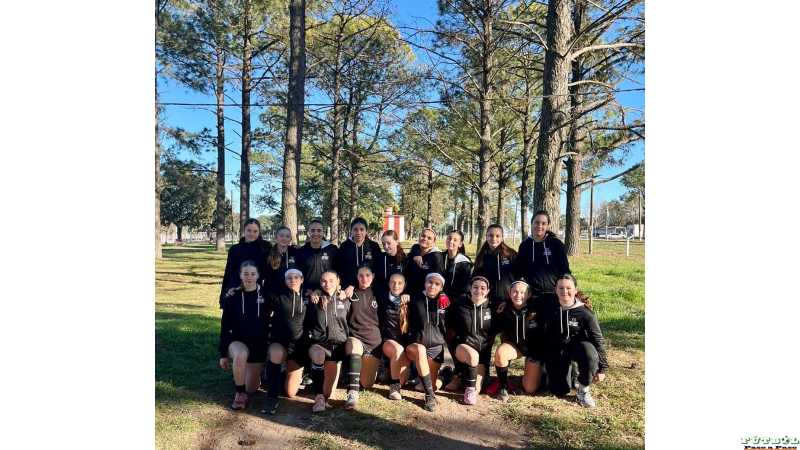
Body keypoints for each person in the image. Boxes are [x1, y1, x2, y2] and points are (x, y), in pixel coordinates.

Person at [533, 274, 608, 408]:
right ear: (555, 290)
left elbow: (598, 340)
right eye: (561, 288)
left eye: (568, 288)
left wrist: (602, 369)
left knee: (589, 353)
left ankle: (583, 389)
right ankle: (568, 373)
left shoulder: (585, 313)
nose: (564, 291)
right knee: (559, 391)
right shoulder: (549, 308)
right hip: (558, 351)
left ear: (575, 290)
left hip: (578, 349)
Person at [218, 260, 269, 410]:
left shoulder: (266, 295)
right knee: (240, 355)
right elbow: (225, 326)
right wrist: (223, 354)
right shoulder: (232, 296)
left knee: (251, 388)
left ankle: (246, 373)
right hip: (238, 341)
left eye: (253, 274)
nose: (249, 277)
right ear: (240, 275)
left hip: (258, 344)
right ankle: (239, 393)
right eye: (245, 274)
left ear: (258, 275)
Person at [305, 271, 359, 413]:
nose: (327, 284)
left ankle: (352, 393)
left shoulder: (346, 298)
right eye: (323, 281)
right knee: (325, 394)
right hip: (322, 345)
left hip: (340, 345)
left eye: (331, 280)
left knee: (354, 345)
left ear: (338, 281)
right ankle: (319, 398)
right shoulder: (315, 299)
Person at [260, 269, 309, 415]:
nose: (293, 280)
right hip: (280, 342)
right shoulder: (277, 296)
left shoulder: (308, 297)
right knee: (275, 354)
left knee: (290, 393)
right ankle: (271, 397)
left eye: (296, 277)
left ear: (302, 279)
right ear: (285, 280)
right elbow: (258, 295)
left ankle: (282, 375)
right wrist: (237, 290)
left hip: (298, 345)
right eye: (289, 278)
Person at [490, 280, 543, 402]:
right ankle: (503, 386)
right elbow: (492, 328)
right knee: (501, 353)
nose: (518, 295)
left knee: (529, 388)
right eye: (515, 291)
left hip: (533, 350)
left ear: (529, 295)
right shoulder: (504, 309)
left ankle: (541, 373)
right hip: (515, 346)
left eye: (522, 292)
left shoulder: (536, 309)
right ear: (509, 293)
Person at [405, 273, 451, 412]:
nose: (432, 286)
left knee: (428, 385)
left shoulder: (445, 302)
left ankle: (444, 376)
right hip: (416, 344)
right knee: (420, 352)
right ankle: (430, 397)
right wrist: (404, 296)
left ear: (441, 287)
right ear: (425, 283)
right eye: (430, 282)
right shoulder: (415, 299)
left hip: (436, 347)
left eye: (437, 284)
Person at [448, 276, 494, 405]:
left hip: (482, 354)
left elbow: (494, 334)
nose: (479, 290)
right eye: (475, 287)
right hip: (463, 347)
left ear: (488, 291)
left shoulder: (493, 308)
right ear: (470, 288)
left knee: (478, 388)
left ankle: (453, 374)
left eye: (483, 288)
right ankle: (467, 386)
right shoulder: (459, 304)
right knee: (472, 356)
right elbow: (449, 329)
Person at [341, 265, 383, 409]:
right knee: (353, 346)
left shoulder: (379, 292)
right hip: (356, 336)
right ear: (356, 277)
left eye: (368, 275)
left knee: (367, 384)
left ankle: (362, 372)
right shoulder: (350, 293)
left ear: (373, 276)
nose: (364, 279)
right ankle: (352, 393)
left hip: (374, 342)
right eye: (361, 275)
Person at [513, 210, 571, 310]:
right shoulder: (524, 246)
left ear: (548, 226)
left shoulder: (556, 244)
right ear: (531, 224)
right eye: (536, 222)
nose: (539, 226)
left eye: (543, 223)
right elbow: (519, 271)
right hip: (532, 296)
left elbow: (565, 270)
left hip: (554, 295)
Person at [218, 218, 270, 307]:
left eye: (255, 231)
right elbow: (228, 273)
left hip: (256, 290)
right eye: (249, 230)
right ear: (244, 230)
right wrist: (223, 295)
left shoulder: (265, 248)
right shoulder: (235, 249)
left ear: (259, 232)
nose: (251, 233)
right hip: (236, 288)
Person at [378, 273, 411, 400]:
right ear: (388, 283)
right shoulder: (382, 298)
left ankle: (391, 374)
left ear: (405, 285)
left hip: (404, 344)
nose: (396, 285)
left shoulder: (409, 300)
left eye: (399, 283)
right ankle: (394, 387)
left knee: (403, 380)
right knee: (397, 349)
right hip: (388, 341)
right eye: (393, 282)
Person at [473, 224, 517, 308]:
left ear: (502, 238)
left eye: (497, 236)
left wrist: (510, 299)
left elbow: (519, 276)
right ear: (486, 237)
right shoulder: (481, 256)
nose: (494, 238)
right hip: (486, 301)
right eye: (490, 235)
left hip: (508, 301)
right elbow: (475, 278)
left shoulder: (511, 254)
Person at [335, 217, 382, 292]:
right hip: (349, 289)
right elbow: (340, 268)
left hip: (370, 288)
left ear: (366, 231)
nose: (358, 232)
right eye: (355, 229)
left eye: (362, 229)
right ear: (351, 231)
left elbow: (378, 267)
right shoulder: (344, 246)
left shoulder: (373, 246)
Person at [296, 219, 338, 294]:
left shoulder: (332, 249)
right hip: (308, 293)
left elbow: (338, 271)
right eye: (313, 230)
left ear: (323, 233)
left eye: (319, 230)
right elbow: (299, 274)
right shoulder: (301, 251)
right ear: (308, 233)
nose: (316, 233)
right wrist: (304, 289)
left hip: (327, 291)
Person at [404, 228, 444, 296]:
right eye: (423, 236)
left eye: (429, 238)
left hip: (424, 294)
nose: (425, 239)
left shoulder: (436, 256)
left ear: (434, 242)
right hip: (408, 292)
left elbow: (438, 279)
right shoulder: (414, 250)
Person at [263, 225, 299, 292]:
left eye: (287, 236)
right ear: (276, 238)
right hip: (272, 293)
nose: (284, 238)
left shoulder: (296, 252)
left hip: (289, 293)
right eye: (281, 236)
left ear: (290, 239)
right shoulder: (268, 254)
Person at [373, 229, 406, 299]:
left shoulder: (405, 259)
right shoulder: (380, 258)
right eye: (383, 244)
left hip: (401, 298)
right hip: (383, 297)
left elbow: (408, 280)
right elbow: (377, 281)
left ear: (396, 242)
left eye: (389, 243)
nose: (386, 246)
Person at [442, 230, 473, 300]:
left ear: (460, 244)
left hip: (457, 299)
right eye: (449, 238)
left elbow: (465, 287)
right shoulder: (439, 257)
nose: (451, 241)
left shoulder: (465, 262)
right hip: (439, 296)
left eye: (455, 240)